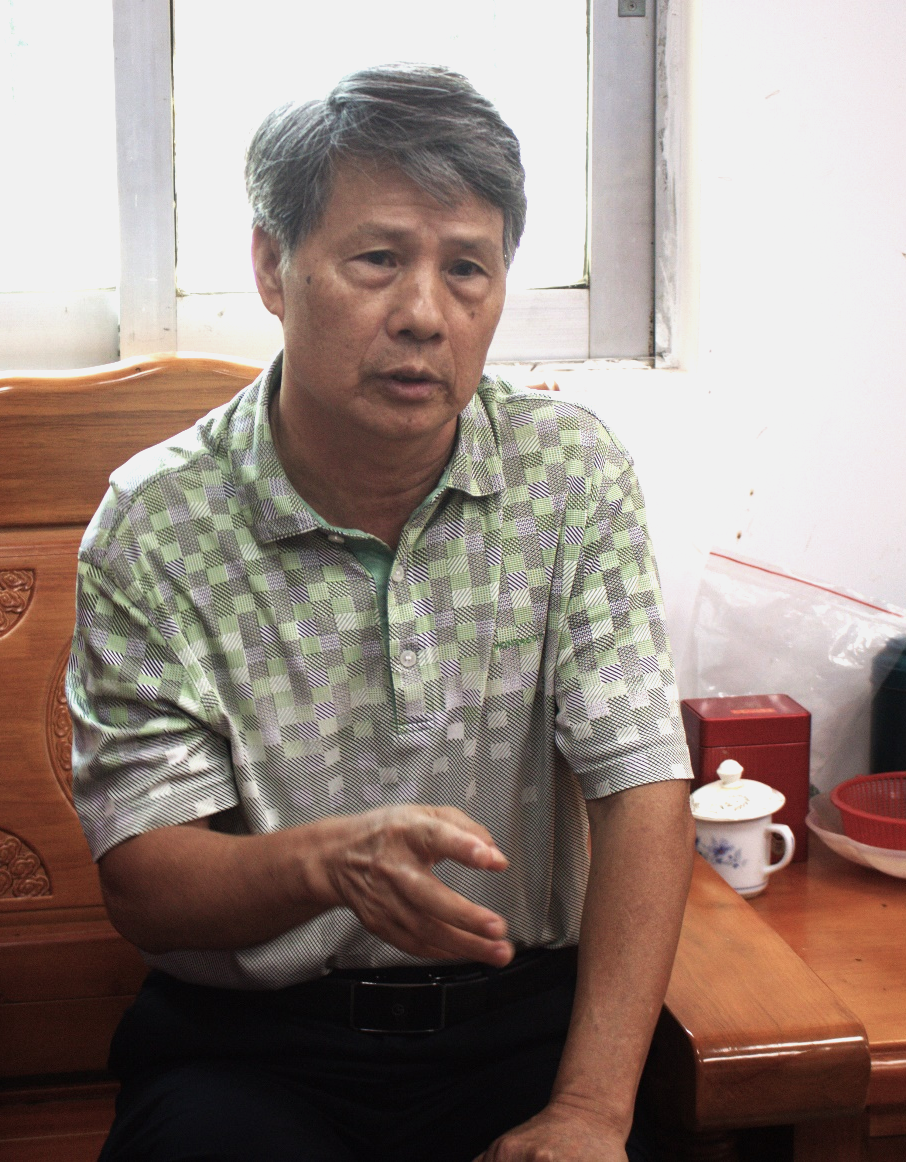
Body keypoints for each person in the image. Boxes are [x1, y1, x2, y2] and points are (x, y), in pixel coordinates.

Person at [67, 64, 695, 1162]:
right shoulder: (161, 520)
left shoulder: (568, 476)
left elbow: (642, 789)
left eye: (467, 269)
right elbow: (147, 883)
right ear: (272, 265)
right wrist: (330, 862)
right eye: (378, 260)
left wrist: (591, 1109)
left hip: (522, 1023)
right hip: (255, 1047)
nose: (424, 315)